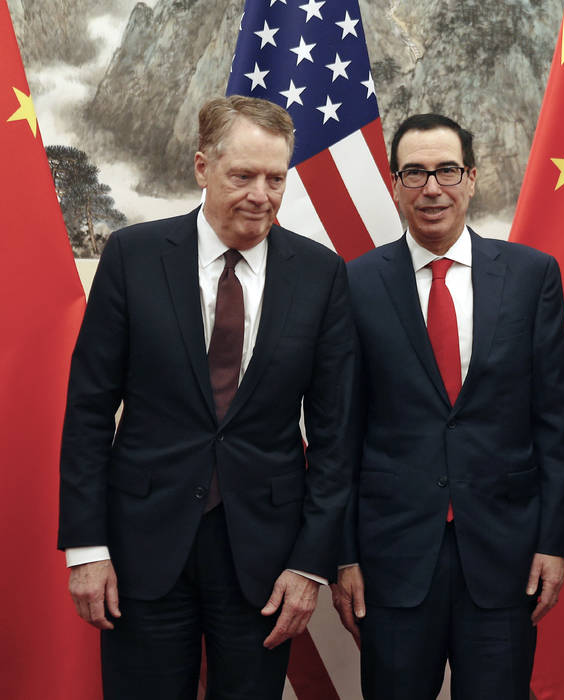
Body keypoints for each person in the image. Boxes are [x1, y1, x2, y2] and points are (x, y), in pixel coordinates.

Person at [57, 95, 354, 699]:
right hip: (142, 548)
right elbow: (89, 411)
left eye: (276, 178)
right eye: (242, 176)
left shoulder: (321, 274)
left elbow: (336, 435)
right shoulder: (132, 257)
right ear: (202, 168)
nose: (261, 195)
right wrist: (85, 547)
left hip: (264, 559)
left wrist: (309, 564)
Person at [331, 113, 564, 700]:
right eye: (414, 174)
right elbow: (341, 432)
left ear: (471, 177)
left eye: (446, 170)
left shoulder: (531, 276)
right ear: (394, 185)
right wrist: (344, 556)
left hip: (504, 555)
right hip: (392, 560)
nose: (432, 188)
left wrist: (553, 541)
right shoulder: (356, 283)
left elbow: (555, 420)